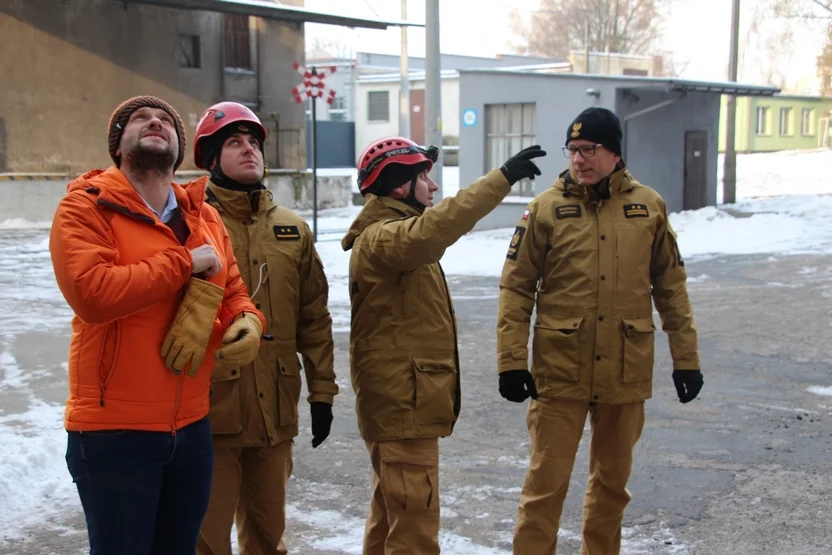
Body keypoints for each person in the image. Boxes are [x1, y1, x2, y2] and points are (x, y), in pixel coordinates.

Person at [49, 95, 266, 555]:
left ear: (178, 145)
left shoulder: (204, 216)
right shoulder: (85, 208)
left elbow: (233, 290)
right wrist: (183, 262)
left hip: (190, 428)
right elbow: (93, 294)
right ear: (118, 145)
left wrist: (247, 318)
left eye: (165, 119)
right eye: (139, 119)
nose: (155, 122)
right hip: (113, 433)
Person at [496, 107, 703, 554]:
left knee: (611, 490)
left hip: (624, 373)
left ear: (614, 152)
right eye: (572, 151)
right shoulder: (545, 209)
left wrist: (687, 360)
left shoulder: (648, 206)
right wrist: (511, 362)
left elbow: (671, 288)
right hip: (559, 371)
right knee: (544, 490)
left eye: (588, 150)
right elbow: (516, 289)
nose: (578, 160)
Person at [341, 136, 546, 554]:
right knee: (413, 532)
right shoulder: (384, 238)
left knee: (391, 520)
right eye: (424, 177)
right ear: (399, 186)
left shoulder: (396, 237)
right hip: (403, 408)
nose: (433, 188)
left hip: (404, 406)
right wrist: (502, 178)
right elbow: (437, 228)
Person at [190, 101, 338, 555]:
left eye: (254, 142)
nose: (249, 149)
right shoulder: (188, 223)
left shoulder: (292, 229)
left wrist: (322, 394)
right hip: (208, 415)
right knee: (207, 542)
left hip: (275, 413)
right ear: (211, 158)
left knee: (268, 537)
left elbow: (314, 317)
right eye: (234, 142)